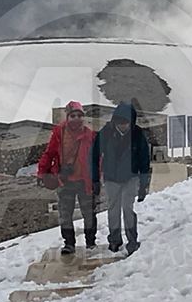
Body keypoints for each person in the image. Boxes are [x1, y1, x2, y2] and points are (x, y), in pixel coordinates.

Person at [91, 102, 151, 255]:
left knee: (127, 209)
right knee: (113, 210)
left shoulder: (138, 135)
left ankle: (132, 240)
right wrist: (95, 179)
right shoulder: (106, 133)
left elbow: (144, 161)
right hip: (111, 178)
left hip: (131, 178)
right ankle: (114, 241)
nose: (123, 125)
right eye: (120, 122)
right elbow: (93, 155)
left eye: (126, 122)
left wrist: (144, 185)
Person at [37, 101, 97, 254]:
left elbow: (97, 159)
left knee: (89, 213)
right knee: (65, 214)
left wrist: (97, 179)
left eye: (79, 115)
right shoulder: (59, 133)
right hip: (65, 180)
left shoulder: (90, 135)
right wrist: (42, 173)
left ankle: (91, 242)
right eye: (73, 115)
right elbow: (49, 153)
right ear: (67, 116)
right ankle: (69, 244)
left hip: (85, 181)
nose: (76, 118)